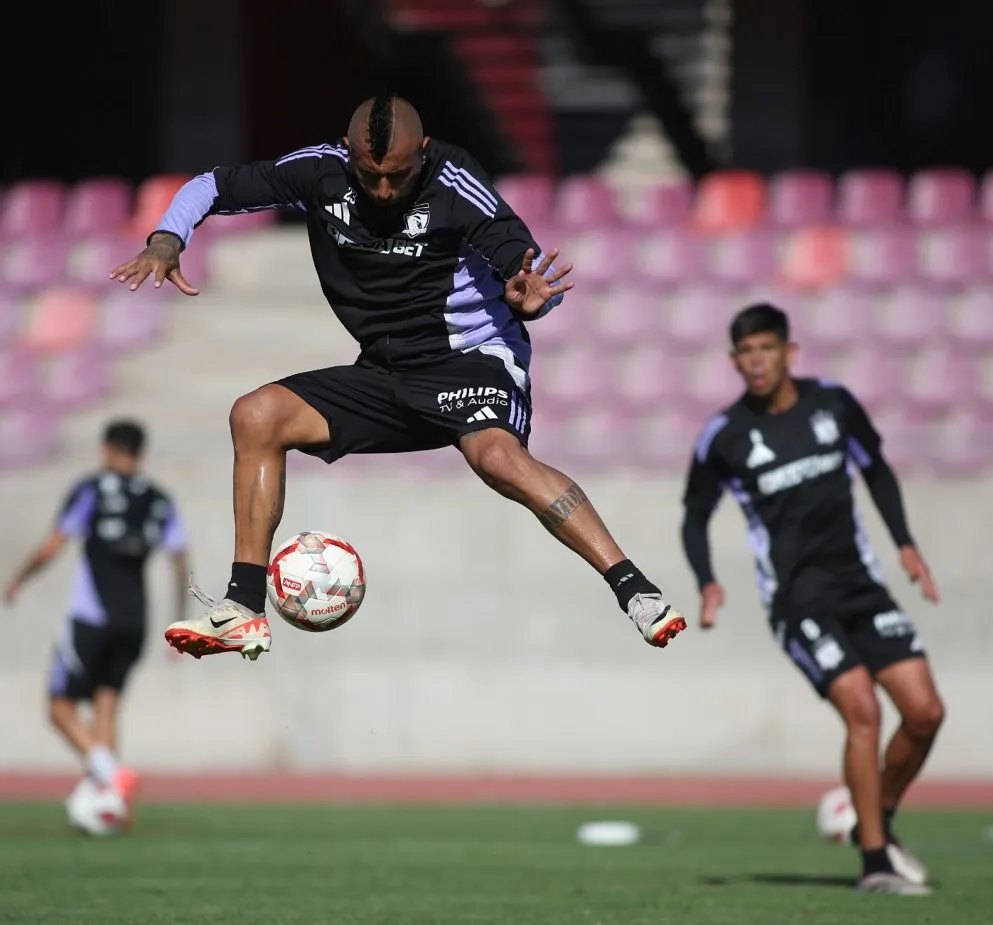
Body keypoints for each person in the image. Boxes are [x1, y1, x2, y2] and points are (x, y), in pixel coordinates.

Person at [110, 94, 686, 659]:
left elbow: (519, 259)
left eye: (399, 176)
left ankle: (635, 591)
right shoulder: (320, 172)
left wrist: (533, 299)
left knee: (497, 458)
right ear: (347, 154)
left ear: (425, 153)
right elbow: (209, 185)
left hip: (471, 359)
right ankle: (244, 608)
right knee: (255, 414)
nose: (384, 190)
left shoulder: (455, 179)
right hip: (385, 372)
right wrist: (167, 239)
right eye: (370, 176)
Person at [680, 303, 945, 896]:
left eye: (766, 349)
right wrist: (708, 580)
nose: (756, 362)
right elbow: (695, 515)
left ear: (789, 352)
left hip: (861, 585)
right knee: (864, 712)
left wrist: (905, 544)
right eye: (745, 353)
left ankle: (872, 814)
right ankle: (875, 863)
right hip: (798, 602)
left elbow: (877, 470)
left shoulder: (834, 404)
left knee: (926, 713)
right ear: (733, 361)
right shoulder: (724, 436)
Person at [3, 420, 190, 819]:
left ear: (106, 450)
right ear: (141, 454)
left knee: (58, 707)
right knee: (106, 703)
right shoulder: (160, 499)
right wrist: (180, 622)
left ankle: (111, 773)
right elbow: (179, 561)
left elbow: (54, 544)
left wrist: (18, 580)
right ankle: (111, 802)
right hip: (135, 620)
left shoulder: (91, 489)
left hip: (91, 617)